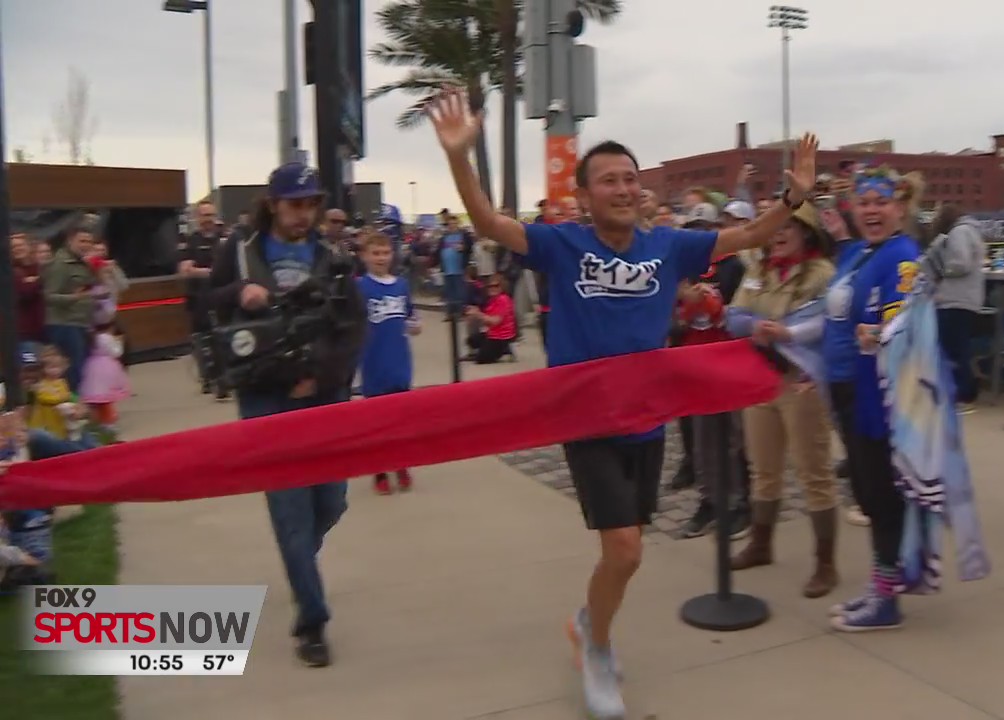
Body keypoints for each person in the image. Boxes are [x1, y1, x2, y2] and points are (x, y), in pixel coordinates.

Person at [428, 86, 818, 720]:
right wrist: (457, 156)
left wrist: (794, 197)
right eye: (608, 180)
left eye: (630, 178)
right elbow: (489, 224)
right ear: (584, 196)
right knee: (626, 549)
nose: (623, 188)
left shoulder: (668, 246)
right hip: (585, 420)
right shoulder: (562, 244)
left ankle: (589, 621)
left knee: (625, 554)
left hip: (646, 419)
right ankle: (598, 650)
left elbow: (750, 233)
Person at [208, 162, 367, 668]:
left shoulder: (333, 257)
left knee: (332, 502)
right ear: (273, 204)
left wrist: (320, 376)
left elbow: (353, 327)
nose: (304, 213)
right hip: (265, 398)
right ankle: (312, 622)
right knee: (291, 513)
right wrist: (238, 293)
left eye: (310, 204)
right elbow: (205, 303)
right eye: (294, 204)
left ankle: (299, 560)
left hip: (323, 398)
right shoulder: (240, 250)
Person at [821, 166, 923, 632]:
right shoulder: (864, 252)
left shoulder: (902, 256)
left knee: (881, 496)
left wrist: (881, 334)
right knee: (867, 492)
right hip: (851, 387)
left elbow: (908, 321)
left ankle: (887, 600)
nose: (872, 210)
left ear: (900, 207)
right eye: (864, 203)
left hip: (878, 394)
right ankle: (881, 585)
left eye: (881, 202)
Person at [728, 201, 846, 598]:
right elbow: (733, 316)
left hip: (802, 383)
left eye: (787, 228)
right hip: (760, 380)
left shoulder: (822, 273)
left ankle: (825, 564)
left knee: (815, 473)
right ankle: (761, 544)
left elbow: (832, 324)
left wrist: (789, 335)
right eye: (773, 228)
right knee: (763, 468)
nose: (777, 235)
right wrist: (754, 324)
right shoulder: (758, 271)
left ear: (806, 232)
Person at [671, 203, 750, 540]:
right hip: (694, 363)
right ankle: (709, 500)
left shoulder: (734, 266)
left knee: (732, 438)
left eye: (704, 228)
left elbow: (744, 315)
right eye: (693, 229)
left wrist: (714, 307)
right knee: (701, 440)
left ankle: (740, 503)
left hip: (728, 362)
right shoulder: (680, 270)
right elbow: (669, 321)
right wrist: (686, 309)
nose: (699, 235)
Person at [357, 232, 421, 494]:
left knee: (401, 418)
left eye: (385, 253)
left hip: (399, 359)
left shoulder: (401, 285)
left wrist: (415, 325)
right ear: (364, 256)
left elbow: (411, 315)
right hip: (373, 361)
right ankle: (379, 470)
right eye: (375, 253)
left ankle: (401, 463)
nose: (381, 258)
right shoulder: (359, 286)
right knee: (376, 421)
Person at [923, 203, 987, 412]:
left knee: (953, 349)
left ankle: (963, 394)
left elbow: (960, 263)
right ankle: (966, 388)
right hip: (966, 299)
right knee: (959, 348)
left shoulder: (959, 232)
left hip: (954, 299)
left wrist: (940, 270)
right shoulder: (971, 231)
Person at [178, 200, 229, 400]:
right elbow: (185, 270)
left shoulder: (225, 239)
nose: (208, 219)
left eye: (211, 215)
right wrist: (212, 272)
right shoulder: (191, 241)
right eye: (204, 215)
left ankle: (223, 379)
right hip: (198, 298)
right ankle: (207, 378)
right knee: (202, 339)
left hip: (222, 296)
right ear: (197, 217)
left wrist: (202, 271)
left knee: (222, 337)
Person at [43, 223, 97, 391]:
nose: (86, 245)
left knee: (83, 366)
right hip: (65, 324)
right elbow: (48, 296)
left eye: (89, 241)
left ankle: (78, 401)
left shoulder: (83, 263)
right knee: (73, 368)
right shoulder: (61, 264)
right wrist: (74, 298)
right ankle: (71, 401)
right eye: (82, 241)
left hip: (81, 322)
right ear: (70, 241)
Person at [79, 323, 130, 432]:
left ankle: (95, 422)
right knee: (106, 399)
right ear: (110, 327)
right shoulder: (107, 338)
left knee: (95, 400)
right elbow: (116, 353)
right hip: (107, 367)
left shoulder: (92, 336)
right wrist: (118, 342)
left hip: (93, 366)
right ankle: (108, 423)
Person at [464, 275, 517, 364]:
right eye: (490, 286)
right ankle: (490, 350)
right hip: (492, 334)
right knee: (472, 340)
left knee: (481, 359)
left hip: (501, 337)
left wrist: (478, 314)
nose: (492, 288)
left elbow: (496, 321)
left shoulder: (503, 300)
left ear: (501, 287)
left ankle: (505, 350)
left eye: (496, 286)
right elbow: (487, 319)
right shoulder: (492, 300)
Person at [12, 234, 45, 343]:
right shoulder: (10, 271)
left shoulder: (40, 268)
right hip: (23, 330)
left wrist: (34, 281)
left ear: (29, 246)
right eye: (13, 247)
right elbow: (25, 292)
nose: (17, 249)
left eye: (20, 245)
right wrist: (38, 281)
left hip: (45, 326)